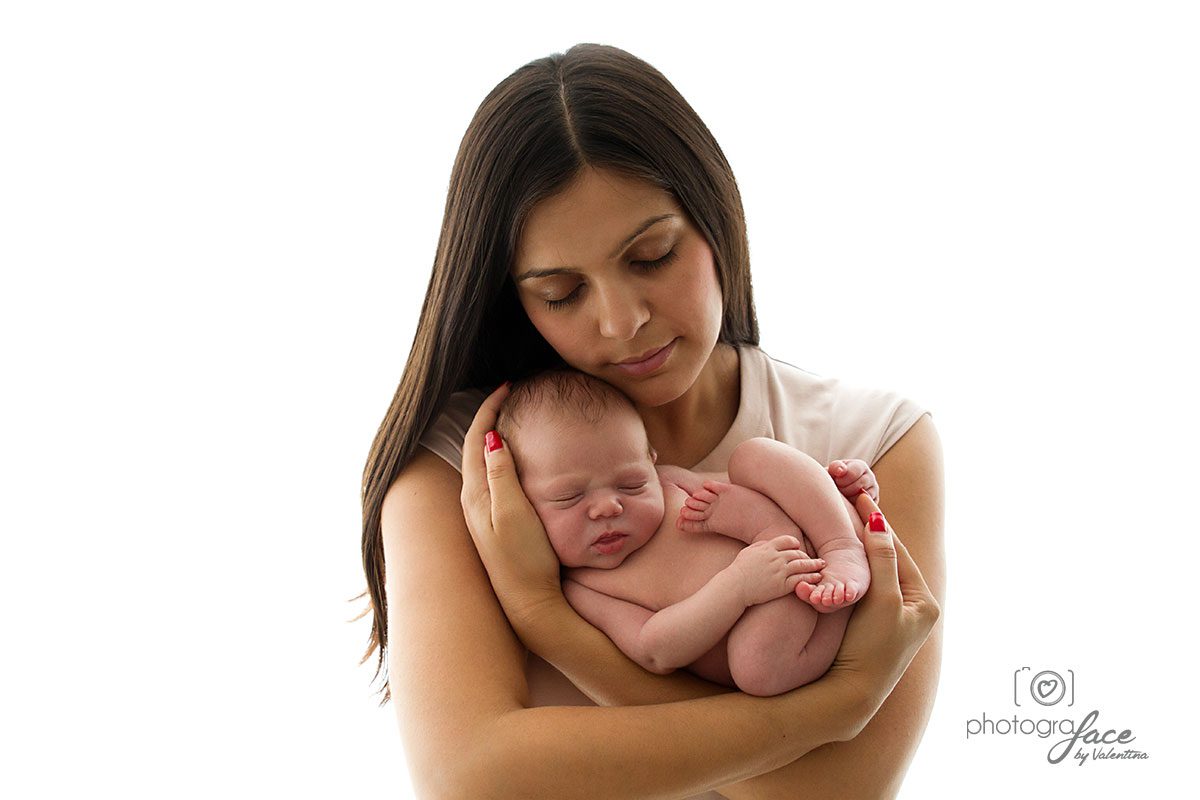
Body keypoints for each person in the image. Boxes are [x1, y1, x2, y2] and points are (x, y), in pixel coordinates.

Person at [360, 43, 944, 799]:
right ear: (514, 299)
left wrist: (549, 619)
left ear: (715, 219)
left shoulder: (872, 443)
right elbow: (469, 776)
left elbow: (836, 794)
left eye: (652, 255)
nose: (622, 321)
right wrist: (837, 706)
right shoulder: (468, 467)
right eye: (562, 292)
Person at [494, 367, 878, 697]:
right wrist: (739, 586)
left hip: (806, 545)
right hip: (774, 622)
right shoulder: (584, 588)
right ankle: (836, 599)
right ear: (522, 502)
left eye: (630, 484)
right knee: (756, 670)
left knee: (755, 456)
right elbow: (654, 649)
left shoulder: (669, 484)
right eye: (568, 497)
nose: (608, 507)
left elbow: (766, 488)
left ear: (651, 462)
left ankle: (842, 541)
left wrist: (827, 487)